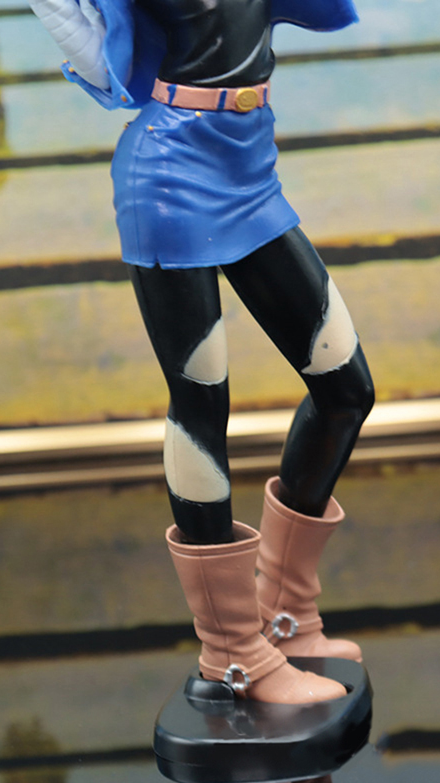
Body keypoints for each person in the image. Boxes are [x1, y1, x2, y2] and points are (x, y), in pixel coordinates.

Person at [29, 0, 375, 704]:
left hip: (249, 160)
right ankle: (232, 651)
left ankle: (285, 613)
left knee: (346, 387)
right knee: (201, 403)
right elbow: (99, 48)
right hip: (171, 173)